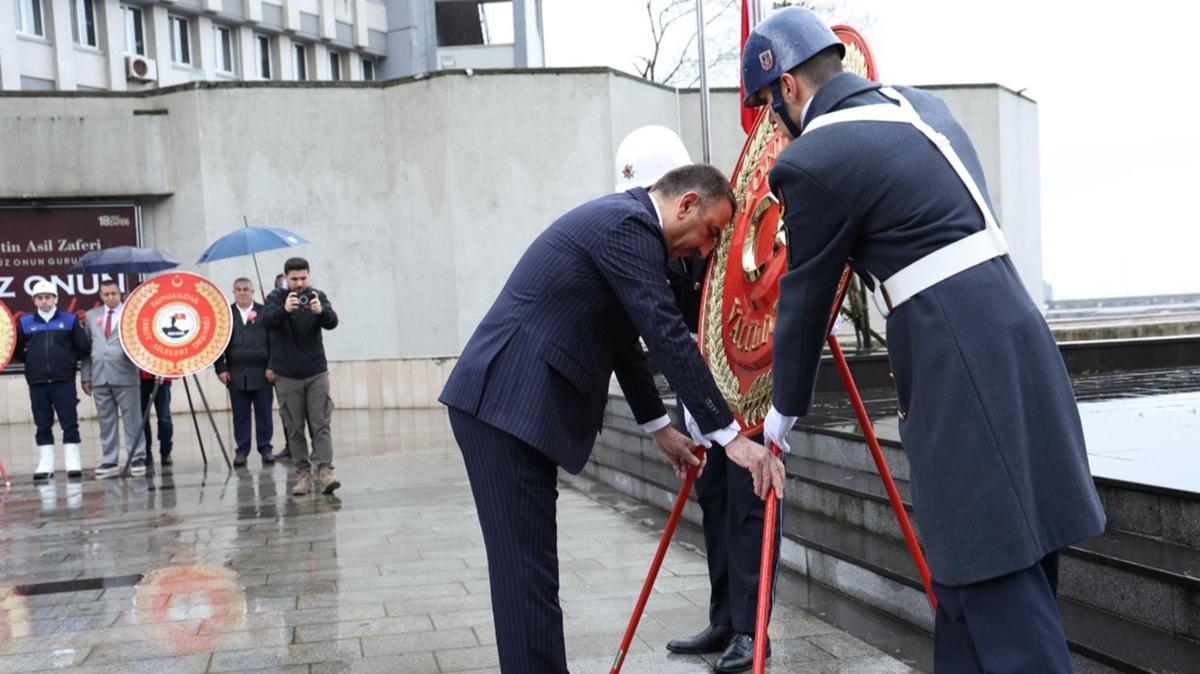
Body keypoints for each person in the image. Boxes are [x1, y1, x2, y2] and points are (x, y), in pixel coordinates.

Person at [743, 8, 1105, 672]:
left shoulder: (816, 157)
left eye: (769, 107)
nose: (773, 124)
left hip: (956, 360)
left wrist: (780, 415)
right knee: (971, 585)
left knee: (1000, 584)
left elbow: (805, 295)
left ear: (788, 88)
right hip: (1017, 339)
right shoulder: (923, 108)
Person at [439, 164, 786, 673]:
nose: (707, 249)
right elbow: (664, 333)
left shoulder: (627, 230)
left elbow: (626, 343)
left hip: (513, 406)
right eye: (711, 231)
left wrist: (659, 428)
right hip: (505, 404)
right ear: (686, 203)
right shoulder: (628, 226)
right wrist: (730, 437)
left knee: (531, 577)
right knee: (525, 579)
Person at [616, 125, 776, 671]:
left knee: (750, 509)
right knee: (716, 504)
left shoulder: (721, 232)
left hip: (747, 388)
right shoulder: (652, 239)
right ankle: (726, 619)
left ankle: (754, 631)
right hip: (700, 393)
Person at [261, 258, 339, 495]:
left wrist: (321, 311)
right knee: (294, 428)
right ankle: (303, 475)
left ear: (309, 275)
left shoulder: (317, 296)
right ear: (285, 277)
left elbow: (333, 322)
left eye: (303, 278)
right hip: (287, 374)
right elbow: (267, 321)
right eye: (294, 279)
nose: (299, 284)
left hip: (316, 371)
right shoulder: (276, 298)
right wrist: (285, 311)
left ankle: (326, 472)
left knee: (321, 423)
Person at [13, 280, 90, 481]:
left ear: (55, 298)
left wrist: (68, 360)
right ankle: (45, 464)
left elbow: (82, 346)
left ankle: (73, 463)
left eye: (48, 297)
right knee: (42, 423)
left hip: (63, 380)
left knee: (69, 422)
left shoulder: (70, 320)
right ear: (34, 300)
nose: (44, 301)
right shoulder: (25, 323)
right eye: (40, 298)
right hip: (37, 382)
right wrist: (32, 361)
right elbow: (17, 350)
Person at [82, 278, 147, 478]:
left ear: (120, 294)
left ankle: (137, 456)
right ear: (101, 296)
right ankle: (109, 460)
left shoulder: (131, 314)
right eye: (106, 294)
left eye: (114, 294)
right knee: (106, 420)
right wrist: (86, 376)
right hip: (100, 375)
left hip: (125, 373)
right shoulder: (92, 316)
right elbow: (86, 348)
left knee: (132, 419)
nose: (110, 298)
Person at [215, 278, 276, 467]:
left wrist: (272, 366)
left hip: (262, 374)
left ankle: (265, 449)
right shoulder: (226, 314)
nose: (242, 293)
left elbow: (275, 342)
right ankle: (242, 451)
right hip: (236, 375)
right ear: (233, 292)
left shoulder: (265, 312)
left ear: (253, 291)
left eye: (246, 289)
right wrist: (221, 368)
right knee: (240, 416)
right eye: (238, 290)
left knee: (264, 414)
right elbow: (218, 344)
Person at [138, 370, 173, 469]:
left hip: (163, 377)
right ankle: (146, 451)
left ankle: (165, 451)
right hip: (140, 376)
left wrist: (166, 372)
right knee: (142, 417)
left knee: (164, 417)